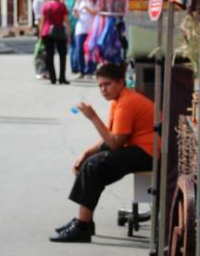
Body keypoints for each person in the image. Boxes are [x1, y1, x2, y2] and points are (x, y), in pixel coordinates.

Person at [50, 63, 155, 243]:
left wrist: (92, 117)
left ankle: (82, 225)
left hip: (149, 152)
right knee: (90, 162)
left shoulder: (126, 103)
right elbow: (111, 137)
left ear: (120, 82)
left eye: (107, 84)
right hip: (138, 148)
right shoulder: (118, 100)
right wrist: (86, 153)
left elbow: (114, 143)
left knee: (94, 167)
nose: (103, 89)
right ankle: (84, 221)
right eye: (100, 85)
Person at [39, 0, 71, 85]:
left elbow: (42, 21)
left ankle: (52, 78)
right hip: (59, 31)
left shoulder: (46, 5)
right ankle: (62, 77)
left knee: (50, 55)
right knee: (62, 55)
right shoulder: (62, 6)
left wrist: (40, 34)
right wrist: (69, 33)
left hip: (47, 32)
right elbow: (66, 21)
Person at [72, 0, 99, 79]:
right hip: (81, 28)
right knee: (79, 49)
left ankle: (90, 70)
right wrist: (75, 13)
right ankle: (81, 70)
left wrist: (88, 9)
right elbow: (75, 14)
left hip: (92, 28)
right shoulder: (80, 0)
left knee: (91, 49)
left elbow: (97, 12)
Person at [32, 0, 51, 79]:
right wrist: (41, 31)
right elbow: (38, 16)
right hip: (40, 25)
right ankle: (40, 71)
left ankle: (47, 70)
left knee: (47, 50)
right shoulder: (38, 0)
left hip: (47, 25)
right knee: (40, 51)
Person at [64, 0, 80, 75]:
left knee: (72, 46)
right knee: (76, 46)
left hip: (69, 22)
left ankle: (73, 66)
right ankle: (75, 66)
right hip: (75, 23)